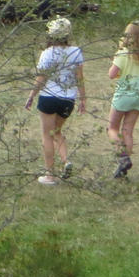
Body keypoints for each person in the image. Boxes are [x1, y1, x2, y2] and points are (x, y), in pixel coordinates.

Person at [26, 17, 86, 184]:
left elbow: (41, 78)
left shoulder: (48, 53)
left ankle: (49, 174)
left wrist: (31, 96)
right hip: (68, 100)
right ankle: (66, 160)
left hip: (48, 98)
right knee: (56, 132)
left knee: (47, 135)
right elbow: (79, 77)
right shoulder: (76, 52)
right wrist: (83, 99)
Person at [107, 21, 139, 178]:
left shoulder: (123, 53)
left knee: (112, 128)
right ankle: (124, 169)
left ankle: (122, 158)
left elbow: (112, 74)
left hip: (123, 95)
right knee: (127, 130)